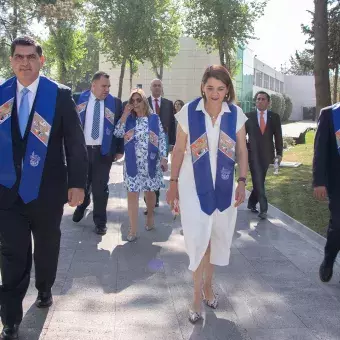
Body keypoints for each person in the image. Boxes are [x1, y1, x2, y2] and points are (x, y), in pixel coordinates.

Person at [0, 36, 87, 339]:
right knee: (12, 254)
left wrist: (78, 184)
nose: (25, 62)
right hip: (8, 193)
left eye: (31, 57)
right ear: (11, 60)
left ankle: (45, 286)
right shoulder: (1, 95)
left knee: (47, 247)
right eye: (18, 57)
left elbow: (75, 143)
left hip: (47, 191)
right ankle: (10, 318)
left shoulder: (58, 95)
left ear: (41, 59)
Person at [166, 65, 248, 323]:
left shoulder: (235, 114)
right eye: (210, 87)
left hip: (224, 186)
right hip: (193, 186)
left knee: (214, 238)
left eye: (221, 88)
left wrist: (243, 181)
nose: (215, 93)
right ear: (203, 86)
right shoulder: (188, 112)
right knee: (198, 239)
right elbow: (178, 150)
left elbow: (242, 151)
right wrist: (173, 183)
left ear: (227, 90)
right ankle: (195, 298)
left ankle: (208, 285)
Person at [72, 71, 124, 235]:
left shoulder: (114, 103)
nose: (107, 89)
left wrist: (119, 149)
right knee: (83, 184)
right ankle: (83, 204)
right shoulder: (77, 98)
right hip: (82, 152)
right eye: (103, 86)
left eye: (108, 86)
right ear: (93, 85)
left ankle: (100, 222)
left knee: (100, 188)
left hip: (103, 152)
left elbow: (119, 127)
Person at [114, 88, 168, 242]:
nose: (135, 103)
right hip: (132, 164)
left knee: (149, 193)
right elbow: (117, 133)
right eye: (132, 100)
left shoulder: (154, 119)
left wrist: (164, 157)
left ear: (144, 101)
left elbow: (162, 138)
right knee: (132, 194)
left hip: (150, 162)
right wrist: (124, 114)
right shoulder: (129, 119)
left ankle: (150, 215)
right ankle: (133, 229)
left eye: (138, 100)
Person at [245, 91, 283, 219]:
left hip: (267, 155)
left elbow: (278, 136)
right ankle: (264, 209)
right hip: (252, 155)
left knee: (259, 180)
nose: (259, 101)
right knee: (258, 179)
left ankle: (251, 203)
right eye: (258, 99)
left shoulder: (274, 117)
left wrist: (279, 153)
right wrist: (245, 148)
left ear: (268, 102)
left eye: (262, 99)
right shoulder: (248, 116)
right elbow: (241, 136)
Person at [313, 103, 340, 283]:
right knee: (338, 224)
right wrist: (319, 182)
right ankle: (329, 259)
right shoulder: (330, 114)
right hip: (337, 182)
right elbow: (320, 150)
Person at [146, 79, 175, 210]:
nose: (157, 88)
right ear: (150, 88)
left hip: (164, 140)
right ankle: (150, 200)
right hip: (147, 141)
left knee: (158, 169)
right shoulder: (144, 102)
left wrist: (172, 143)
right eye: (154, 86)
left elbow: (172, 124)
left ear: (161, 88)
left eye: (159, 86)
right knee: (148, 169)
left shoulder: (169, 104)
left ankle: (155, 197)